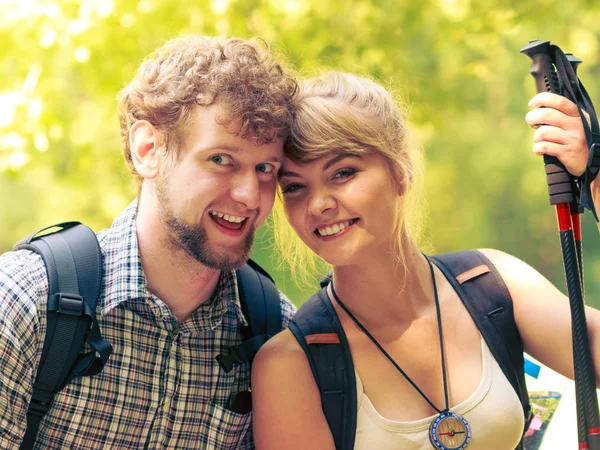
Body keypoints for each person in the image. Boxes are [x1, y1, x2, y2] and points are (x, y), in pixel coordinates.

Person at [251, 72, 600, 450]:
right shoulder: (291, 364)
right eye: (296, 188)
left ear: (401, 170)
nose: (318, 204)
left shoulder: (493, 284)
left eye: (343, 173)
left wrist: (596, 179)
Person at [0, 35, 297, 449]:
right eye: (221, 160)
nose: (250, 195)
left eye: (265, 167)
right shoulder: (24, 305)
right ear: (149, 149)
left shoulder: (275, 334)